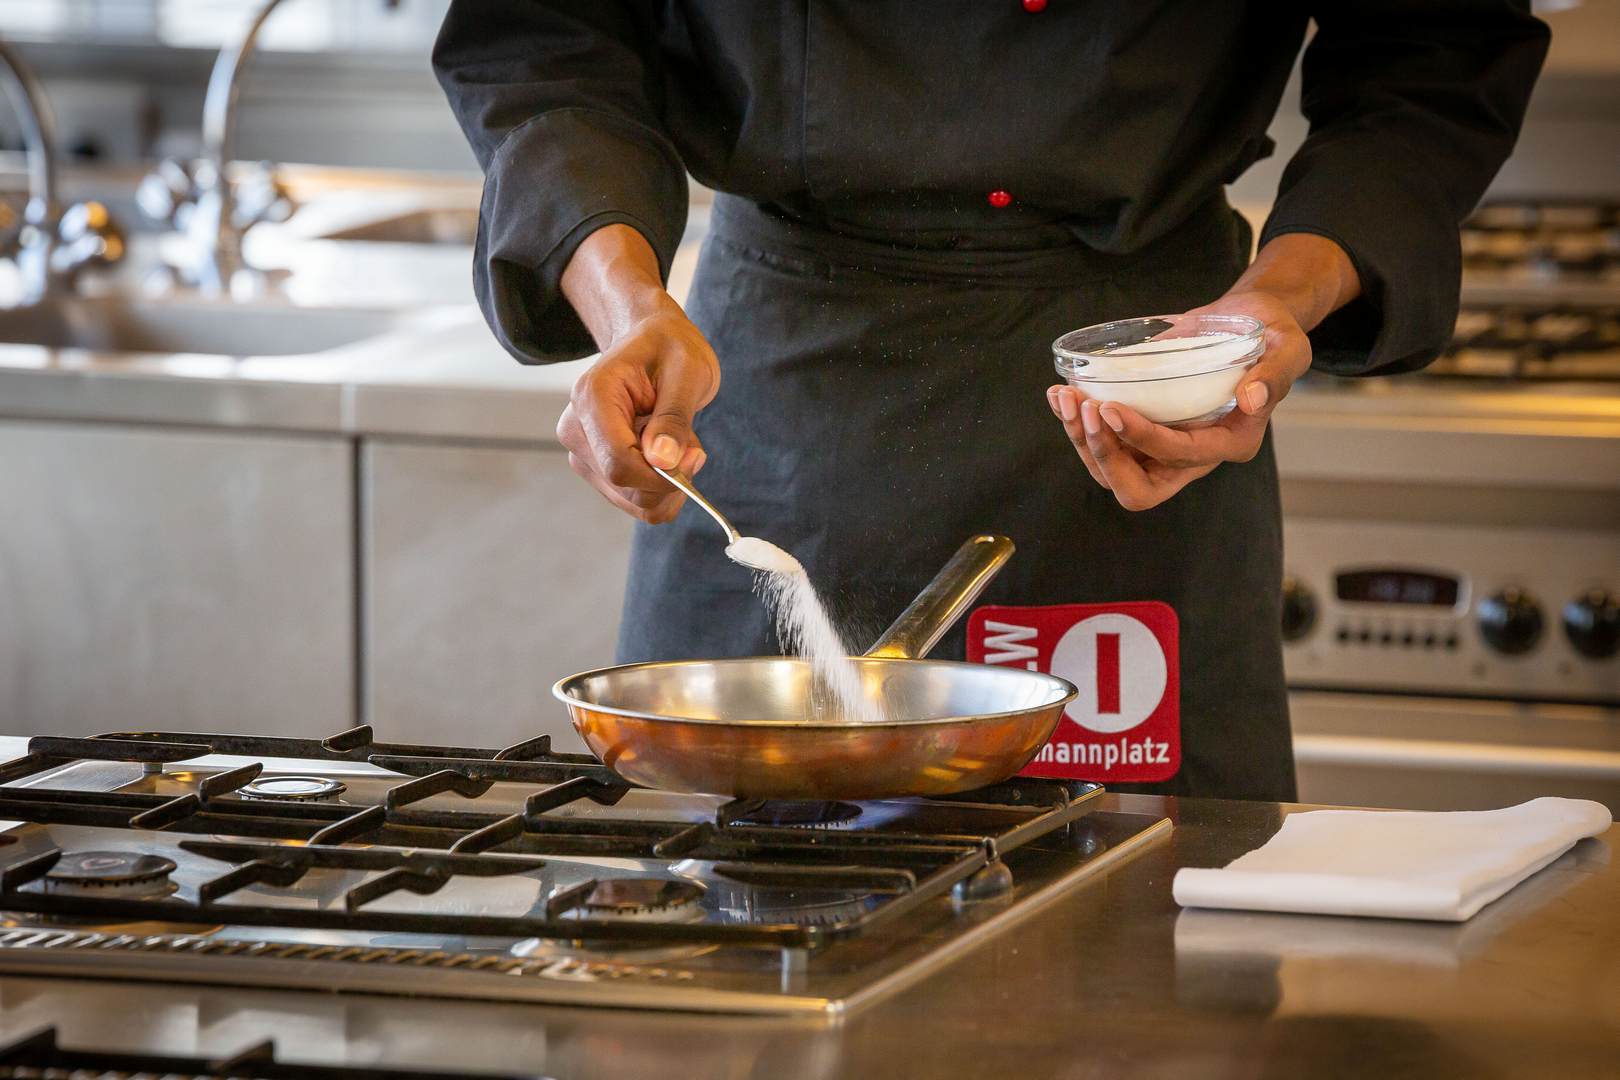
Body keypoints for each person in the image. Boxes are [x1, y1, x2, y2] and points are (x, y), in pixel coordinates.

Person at [434, 3, 1547, 800]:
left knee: (1146, 992)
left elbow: (1431, 46)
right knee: (720, 970)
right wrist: (627, 301)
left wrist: (1268, 310)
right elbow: (545, 33)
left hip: (1139, 391)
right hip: (773, 392)